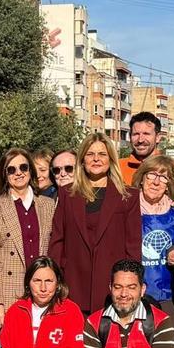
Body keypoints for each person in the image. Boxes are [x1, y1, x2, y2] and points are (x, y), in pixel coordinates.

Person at [49, 133, 141, 315]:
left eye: (102, 154)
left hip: (112, 288)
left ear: (110, 159)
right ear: (82, 160)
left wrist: (130, 285)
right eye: (90, 154)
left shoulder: (128, 196)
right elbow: (58, 240)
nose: (96, 159)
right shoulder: (67, 194)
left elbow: (133, 245)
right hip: (74, 285)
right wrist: (55, 279)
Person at [0, 148, 56, 325]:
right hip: (8, 292)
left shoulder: (48, 204)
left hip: (41, 290)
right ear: (5, 175)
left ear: (30, 171)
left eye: (23, 167)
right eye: (11, 169)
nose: (18, 173)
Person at [132, 155, 174, 324]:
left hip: (169, 295)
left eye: (163, 177)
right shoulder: (125, 210)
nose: (156, 182)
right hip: (133, 293)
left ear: (168, 185)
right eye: (151, 174)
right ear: (142, 178)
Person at [119, 112, 174, 206]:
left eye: (146, 134)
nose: (140, 140)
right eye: (136, 134)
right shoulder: (118, 167)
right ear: (130, 137)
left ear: (158, 137)